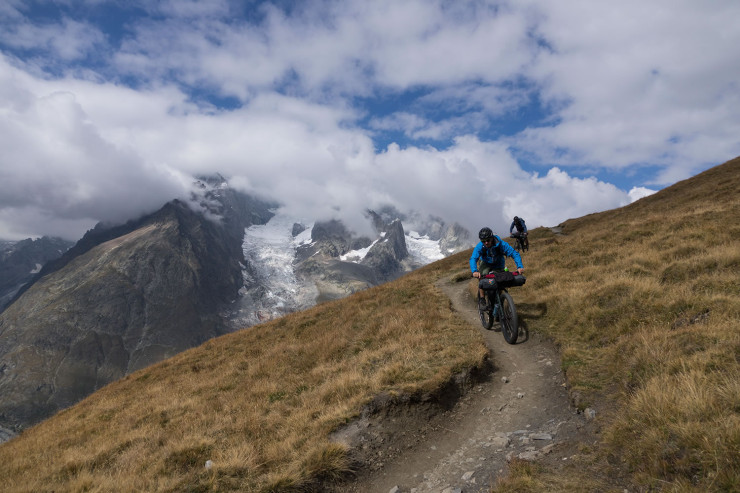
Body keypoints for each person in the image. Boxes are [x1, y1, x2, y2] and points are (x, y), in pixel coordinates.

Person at [470, 227, 524, 312]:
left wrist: (519, 266)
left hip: (499, 264)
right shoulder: (480, 246)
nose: (486, 243)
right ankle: (482, 299)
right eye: (483, 241)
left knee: (500, 283)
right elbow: (473, 258)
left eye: (488, 240)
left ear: (492, 238)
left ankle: (498, 303)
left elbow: (514, 253)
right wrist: (475, 271)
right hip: (485, 264)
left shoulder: (501, 244)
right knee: (482, 277)